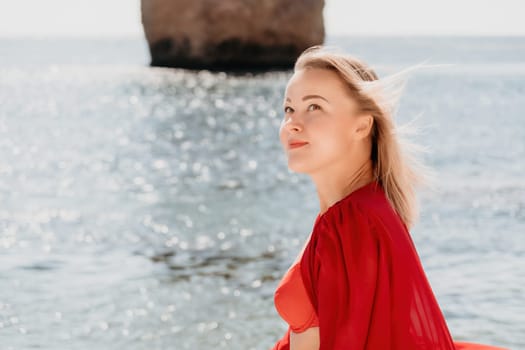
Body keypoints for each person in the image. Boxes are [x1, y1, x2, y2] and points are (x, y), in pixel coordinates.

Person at [271, 46, 506, 350]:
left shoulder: (352, 221)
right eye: (288, 109)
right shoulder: (358, 212)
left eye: (314, 107)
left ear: (362, 125)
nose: (293, 122)